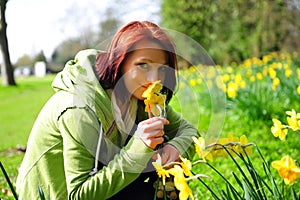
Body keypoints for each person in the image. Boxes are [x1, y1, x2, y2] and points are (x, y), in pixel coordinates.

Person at [16, 21, 199, 199]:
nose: (154, 78)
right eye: (143, 65)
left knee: (168, 177)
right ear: (120, 62)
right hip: (57, 195)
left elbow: (190, 132)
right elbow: (79, 194)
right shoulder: (79, 108)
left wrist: (175, 148)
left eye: (161, 69)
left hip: (104, 177)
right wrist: (138, 148)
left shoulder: (141, 95)